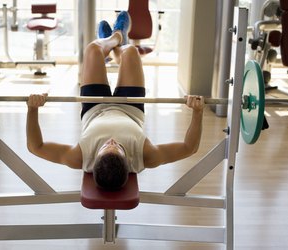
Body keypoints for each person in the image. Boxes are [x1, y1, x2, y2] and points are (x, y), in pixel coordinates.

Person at [26, 11, 205, 191]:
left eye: (105, 146)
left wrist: (32, 109)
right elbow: (189, 147)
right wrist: (197, 112)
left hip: (94, 107)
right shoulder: (146, 156)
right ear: (128, 161)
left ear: (95, 159)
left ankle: (112, 40)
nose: (111, 141)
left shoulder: (80, 157)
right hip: (130, 108)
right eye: (118, 146)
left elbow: (36, 147)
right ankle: (118, 42)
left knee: (92, 49)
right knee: (131, 52)